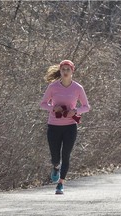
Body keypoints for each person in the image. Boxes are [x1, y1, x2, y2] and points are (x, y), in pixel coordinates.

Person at [40, 60, 91, 194]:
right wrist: (53, 108)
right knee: (55, 156)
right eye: (63, 69)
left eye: (68, 69)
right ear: (60, 71)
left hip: (70, 126)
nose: (66, 72)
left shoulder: (78, 88)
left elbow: (86, 107)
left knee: (66, 155)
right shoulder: (53, 87)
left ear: (72, 71)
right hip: (54, 126)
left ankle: (60, 184)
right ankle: (56, 166)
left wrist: (76, 111)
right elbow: (43, 104)